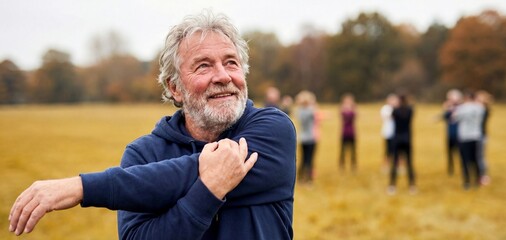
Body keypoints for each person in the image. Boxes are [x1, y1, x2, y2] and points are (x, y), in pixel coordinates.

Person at [9, 11, 296, 239]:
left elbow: (178, 175)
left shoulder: (273, 129)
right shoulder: (144, 155)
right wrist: (207, 192)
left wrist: (82, 187)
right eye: (204, 66)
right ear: (175, 88)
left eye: (231, 63)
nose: (222, 75)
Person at [452, 91, 485, 189]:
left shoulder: (462, 108)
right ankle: (477, 181)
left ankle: (466, 182)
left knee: (465, 160)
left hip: (464, 136)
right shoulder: (480, 108)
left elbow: (454, 118)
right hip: (476, 135)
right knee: (476, 159)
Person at [388, 94, 416, 195]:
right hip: (407, 139)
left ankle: (392, 186)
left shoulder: (395, 111)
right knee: (409, 163)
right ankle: (412, 186)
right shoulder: (410, 110)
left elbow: (391, 118)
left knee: (394, 163)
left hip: (397, 139)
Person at [295, 90, 318, 183]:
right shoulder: (311, 110)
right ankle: (309, 179)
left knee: (303, 159)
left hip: (302, 138)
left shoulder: (299, 111)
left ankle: (300, 178)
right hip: (310, 138)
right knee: (310, 159)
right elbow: (316, 115)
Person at [442, 89, 462, 176]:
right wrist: (447, 109)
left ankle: (462, 167)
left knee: (460, 152)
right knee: (449, 152)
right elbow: (445, 117)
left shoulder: (462, 108)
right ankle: (451, 169)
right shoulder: (448, 108)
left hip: (459, 133)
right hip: (450, 133)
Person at [476, 90, 492, 185]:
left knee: (480, 157)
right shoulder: (481, 109)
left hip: (481, 135)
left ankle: (484, 176)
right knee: (478, 157)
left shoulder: (484, 110)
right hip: (478, 135)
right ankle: (479, 175)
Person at [380, 94, 398, 172]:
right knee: (388, 150)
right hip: (388, 133)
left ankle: (397, 166)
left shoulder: (397, 109)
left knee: (397, 151)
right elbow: (388, 117)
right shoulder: (385, 108)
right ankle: (386, 165)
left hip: (396, 133)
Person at [339, 93, 357, 172]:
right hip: (344, 132)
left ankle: (353, 164)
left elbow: (354, 115)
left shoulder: (353, 110)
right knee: (343, 150)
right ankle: (342, 164)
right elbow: (342, 115)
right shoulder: (343, 110)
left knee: (353, 150)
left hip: (352, 132)